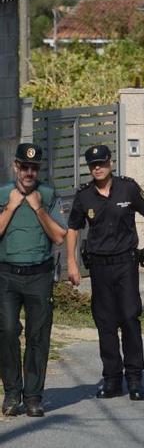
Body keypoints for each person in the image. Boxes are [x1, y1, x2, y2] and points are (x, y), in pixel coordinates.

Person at [67, 145, 144, 401]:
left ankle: (134, 378)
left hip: (125, 265)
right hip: (99, 267)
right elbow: (73, 228)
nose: (98, 168)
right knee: (105, 322)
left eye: (102, 163)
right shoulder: (84, 196)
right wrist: (72, 263)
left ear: (111, 163)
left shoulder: (127, 188)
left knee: (130, 317)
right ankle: (111, 378)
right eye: (93, 165)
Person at [0, 144, 66, 417]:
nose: (29, 172)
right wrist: (11, 207)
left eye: (34, 168)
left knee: (38, 336)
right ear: (16, 166)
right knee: (6, 332)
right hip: (6, 274)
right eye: (24, 167)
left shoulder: (48, 195)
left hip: (39, 275)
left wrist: (39, 209)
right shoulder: (3, 194)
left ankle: (33, 397)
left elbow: (60, 236)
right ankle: (12, 393)